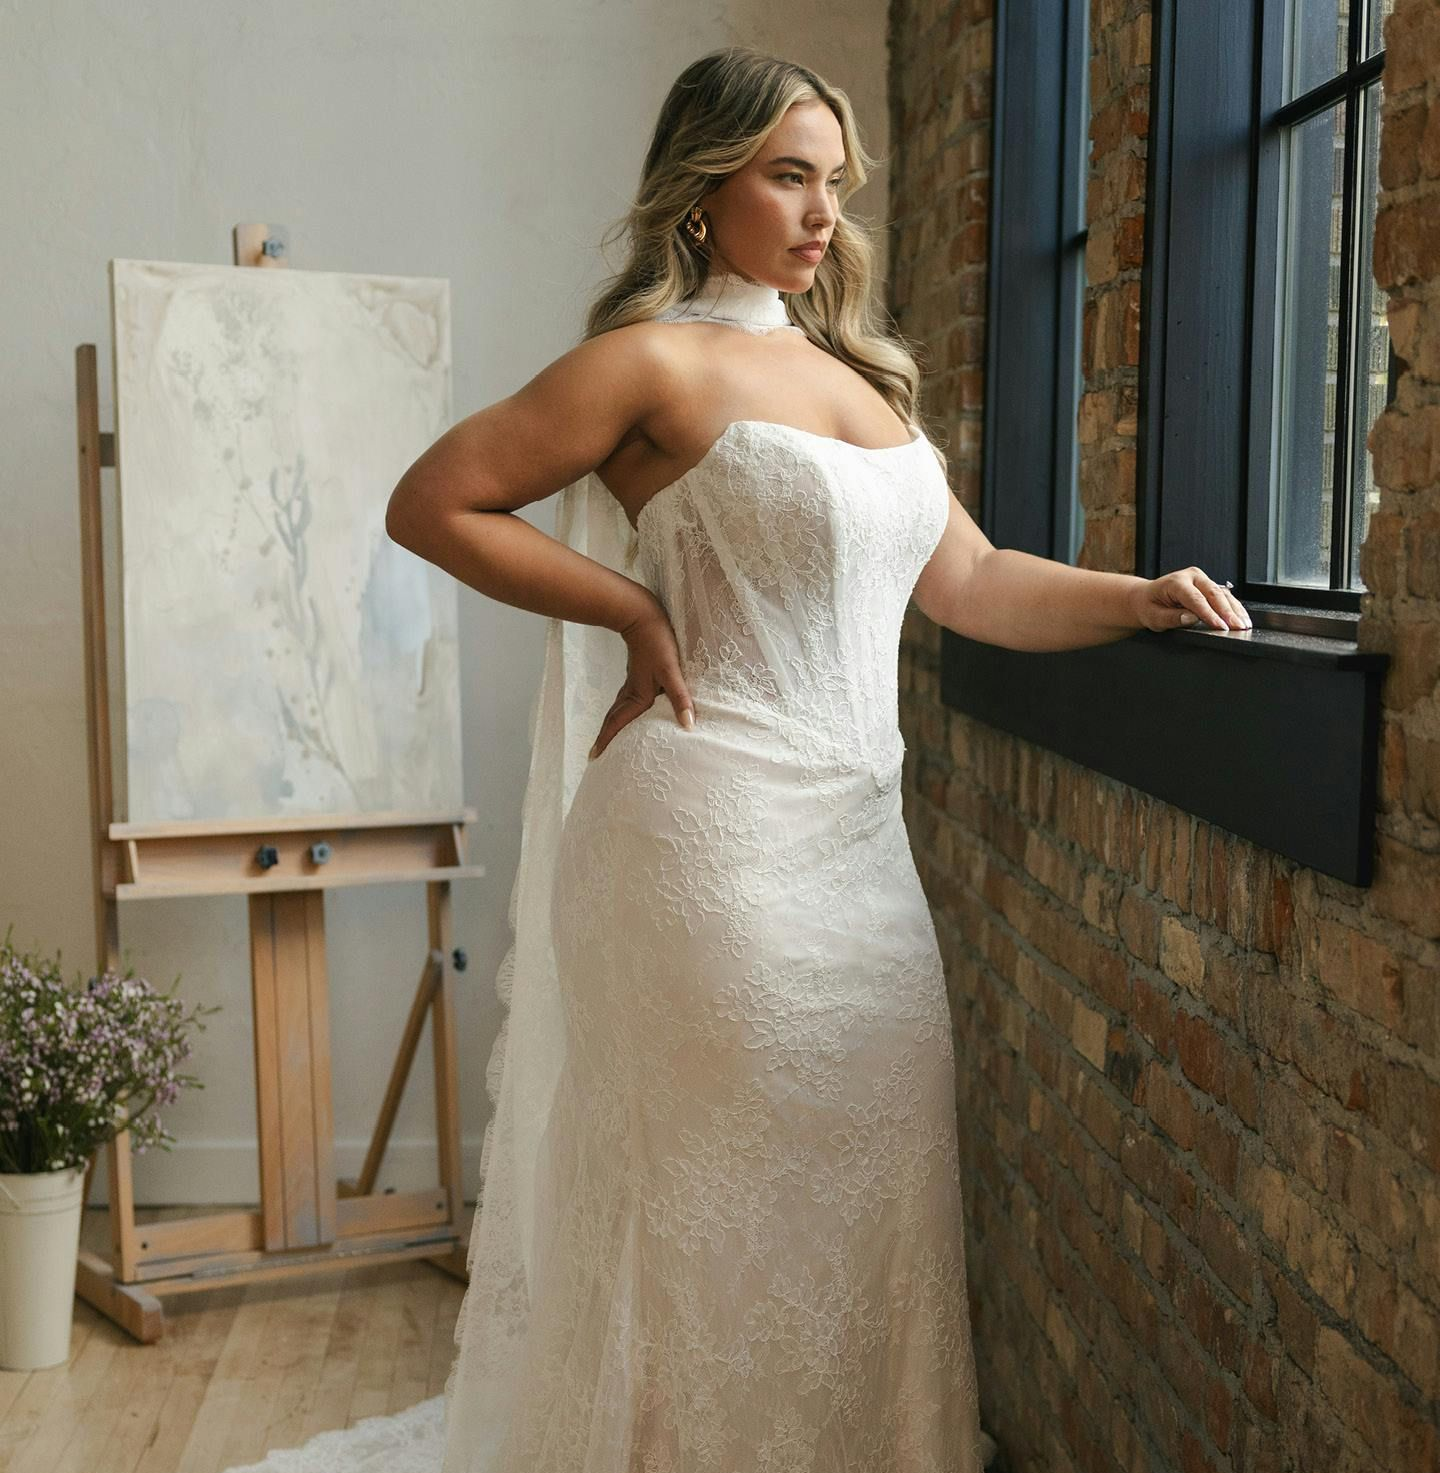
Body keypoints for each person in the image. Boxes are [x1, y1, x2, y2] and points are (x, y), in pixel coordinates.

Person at [225, 44, 1249, 1473]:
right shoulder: (652, 361)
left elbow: (972, 583)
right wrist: (631, 609)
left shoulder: (859, 382)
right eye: (789, 176)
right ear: (705, 190)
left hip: (863, 870)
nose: (825, 212)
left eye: (837, 181)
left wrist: (1137, 597)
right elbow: (433, 501)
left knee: (869, 1195)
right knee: (712, 1214)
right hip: (707, 849)